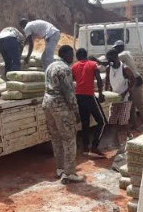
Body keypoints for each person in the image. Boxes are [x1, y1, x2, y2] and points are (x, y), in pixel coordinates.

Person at [43, 45, 84, 184]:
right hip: (61, 107)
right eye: (71, 54)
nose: (72, 57)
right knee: (69, 138)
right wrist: (76, 111)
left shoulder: (50, 66)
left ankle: (60, 169)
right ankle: (69, 173)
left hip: (47, 104)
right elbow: (69, 93)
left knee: (56, 138)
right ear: (65, 54)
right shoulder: (65, 69)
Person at [72, 48, 107, 158]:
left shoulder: (74, 66)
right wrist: (101, 93)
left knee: (85, 123)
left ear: (77, 57)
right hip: (89, 95)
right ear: (86, 55)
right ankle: (94, 147)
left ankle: (85, 147)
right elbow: (99, 79)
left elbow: (72, 80)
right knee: (102, 122)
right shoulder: (93, 64)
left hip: (78, 96)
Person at [113, 40, 143, 131]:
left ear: (121, 47)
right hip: (131, 82)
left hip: (135, 81)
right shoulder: (125, 54)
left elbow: (112, 59)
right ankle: (134, 124)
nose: (116, 50)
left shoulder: (124, 55)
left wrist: (98, 61)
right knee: (130, 105)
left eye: (116, 48)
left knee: (139, 103)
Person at [105, 48, 135, 146]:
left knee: (122, 119)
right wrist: (107, 93)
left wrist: (127, 92)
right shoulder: (108, 68)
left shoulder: (125, 68)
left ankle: (129, 134)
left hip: (125, 97)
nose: (110, 62)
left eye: (111, 59)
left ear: (116, 57)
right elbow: (107, 82)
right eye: (109, 60)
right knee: (112, 120)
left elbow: (133, 81)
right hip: (115, 97)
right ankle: (116, 142)